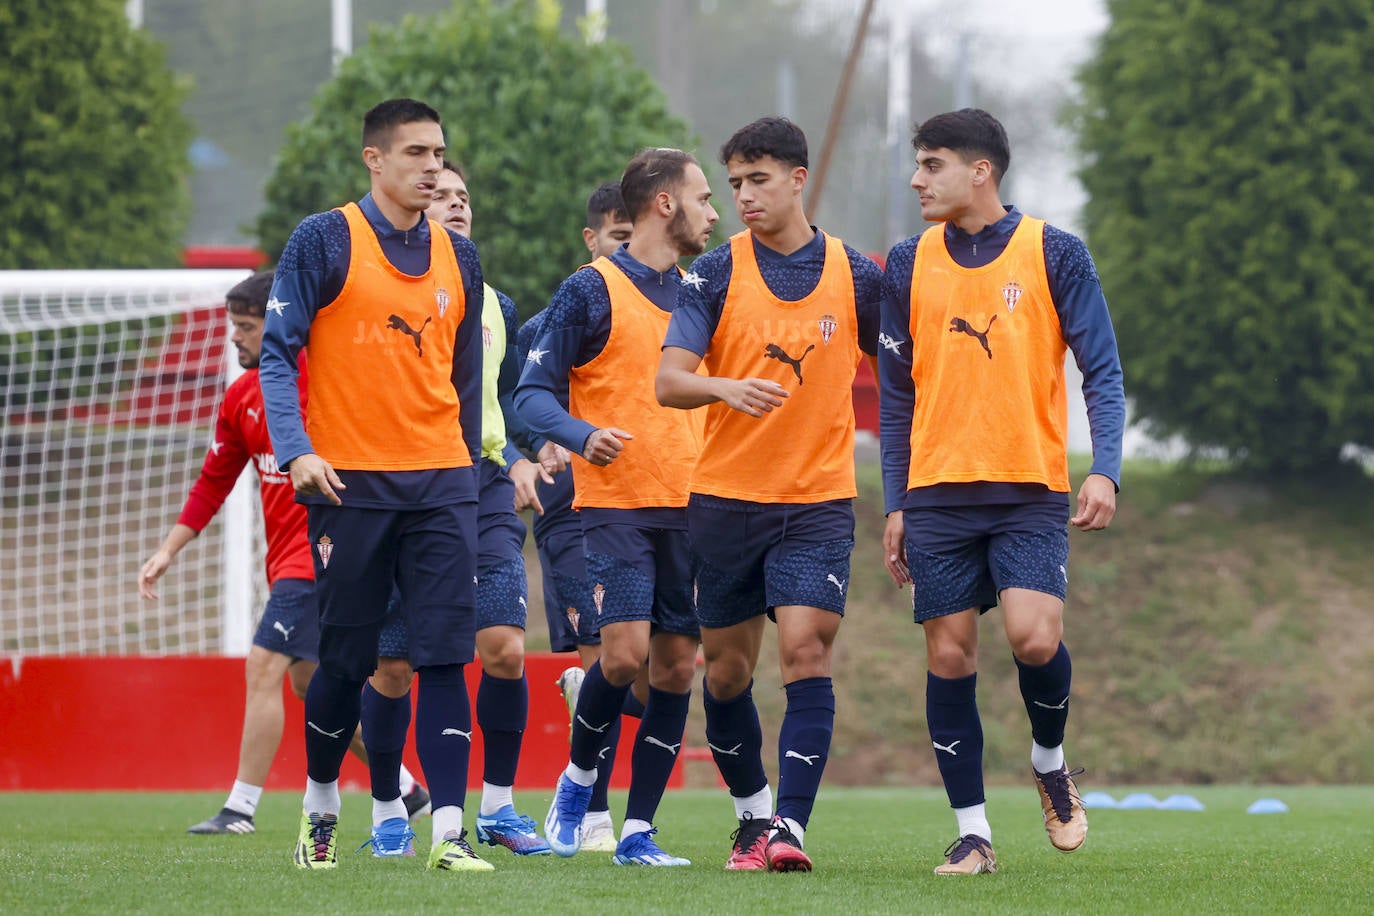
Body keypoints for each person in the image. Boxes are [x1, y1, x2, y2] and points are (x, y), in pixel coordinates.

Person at [877, 108, 1125, 876]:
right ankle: (974, 835)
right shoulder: (905, 261)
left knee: (1034, 639)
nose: (917, 179)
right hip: (938, 496)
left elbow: (1103, 373)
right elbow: (895, 396)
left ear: (979, 171)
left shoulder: (1055, 251)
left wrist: (1105, 468)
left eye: (931, 165)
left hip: (1029, 491)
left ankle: (1049, 763)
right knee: (949, 658)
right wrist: (895, 502)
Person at [259, 98, 489, 872]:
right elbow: (277, 353)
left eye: (440, 153)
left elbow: (459, 377)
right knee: (348, 663)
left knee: (444, 657)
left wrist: (463, 469)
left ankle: (450, 834)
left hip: (443, 482)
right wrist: (296, 452)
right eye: (417, 153)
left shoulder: (462, 257)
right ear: (375, 159)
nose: (432, 167)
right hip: (348, 486)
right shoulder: (324, 238)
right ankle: (321, 805)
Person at [655, 116, 883, 873]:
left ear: (797, 180)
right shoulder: (713, 273)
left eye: (758, 180)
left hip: (816, 503)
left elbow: (910, 376)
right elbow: (669, 380)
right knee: (723, 673)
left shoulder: (859, 275)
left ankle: (791, 828)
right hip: (723, 500)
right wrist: (723, 385)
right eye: (735, 184)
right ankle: (752, 817)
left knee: (805, 651)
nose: (744, 197)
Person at [137, 270, 428, 836]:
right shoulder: (243, 398)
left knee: (264, 664)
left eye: (246, 327)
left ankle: (239, 809)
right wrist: (168, 550)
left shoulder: (332, 385)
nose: (235, 339)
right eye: (234, 327)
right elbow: (212, 481)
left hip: (325, 559)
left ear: (278, 326)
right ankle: (409, 791)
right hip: (289, 566)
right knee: (310, 687)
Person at [516, 147, 717, 867]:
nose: (714, 211)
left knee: (674, 670)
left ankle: (639, 832)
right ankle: (577, 784)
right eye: (703, 196)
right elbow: (529, 396)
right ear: (665, 204)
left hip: (694, 510)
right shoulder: (590, 291)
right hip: (614, 506)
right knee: (624, 655)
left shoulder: (704, 289)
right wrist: (581, 434)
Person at [360, 159, 552, 859]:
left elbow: (507, 400)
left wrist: (528, 454)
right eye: (441, 195)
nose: (456, 205)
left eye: (464, 197)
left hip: (482, 487)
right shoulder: (378, 293)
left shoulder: (497, 306)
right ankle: (388, 809)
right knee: (392, 668)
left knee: (502, 648)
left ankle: (498, 807)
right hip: (397, 489)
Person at [516, 181, 643, 854]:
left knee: (649, 679)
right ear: (592, 241)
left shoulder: (664, 311)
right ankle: (591, 814)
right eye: (620, 237)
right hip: (571, 515)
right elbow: (517, 404)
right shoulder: (543, 328)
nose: (633, 248)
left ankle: (582, 691)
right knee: (604, 649)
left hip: (647, 510)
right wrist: (540, 447)